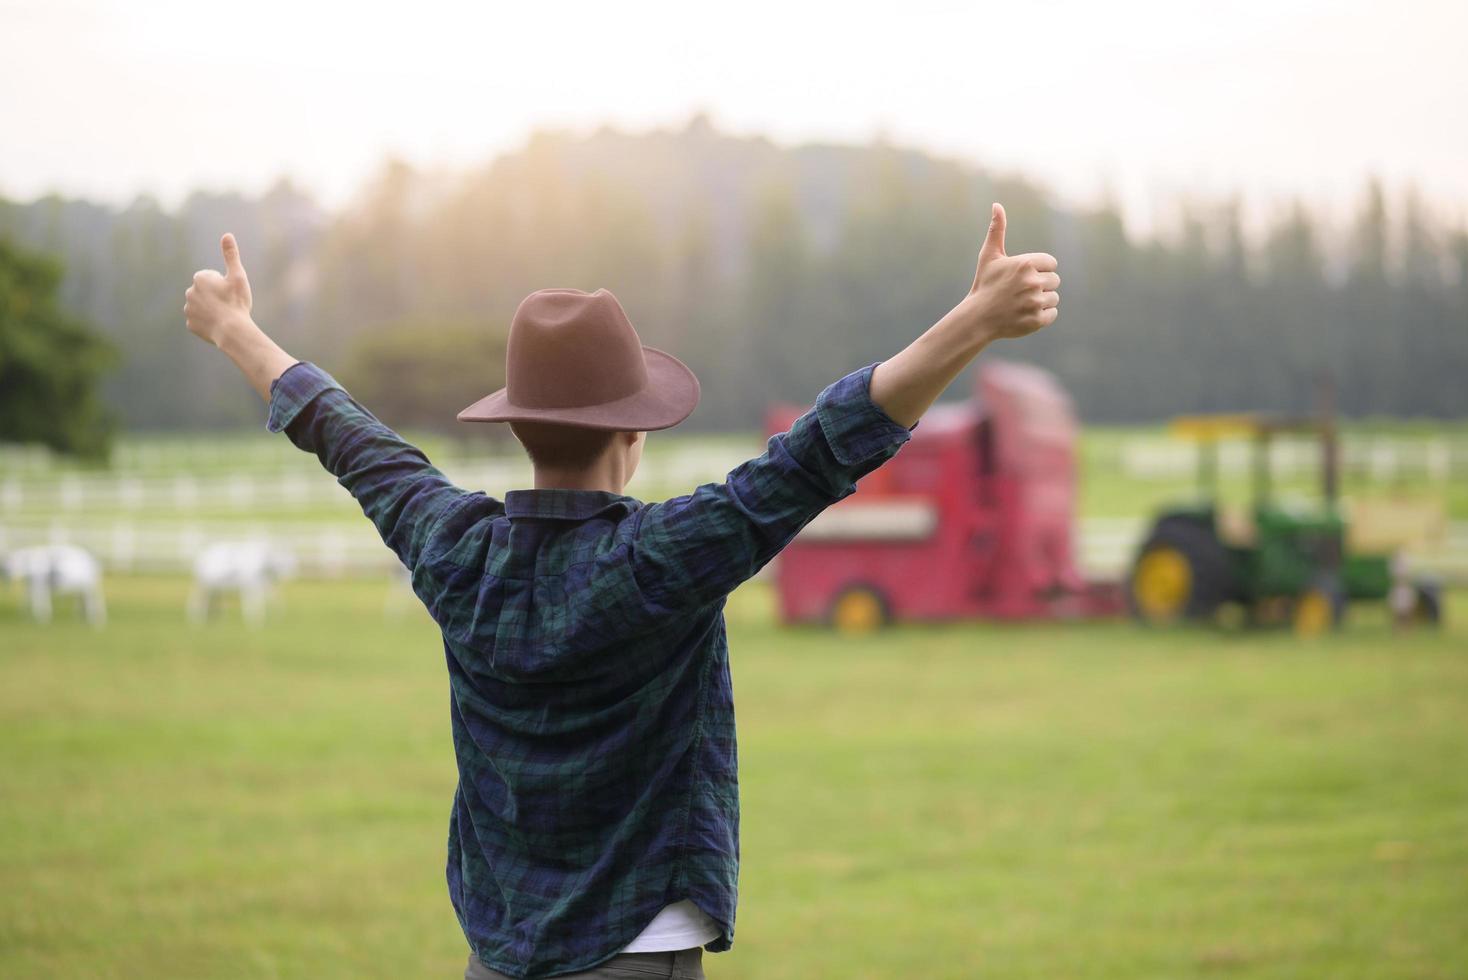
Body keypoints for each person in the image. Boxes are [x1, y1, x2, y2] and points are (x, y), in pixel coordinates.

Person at [183, 203, 1059, 979]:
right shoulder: (659, 560)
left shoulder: (450, 547)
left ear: (519, 426)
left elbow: (348, 436)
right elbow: (821, 450)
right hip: (639, 953)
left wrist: (235, 331)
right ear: (633, 433)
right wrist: (973, 324)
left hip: (496, 955)